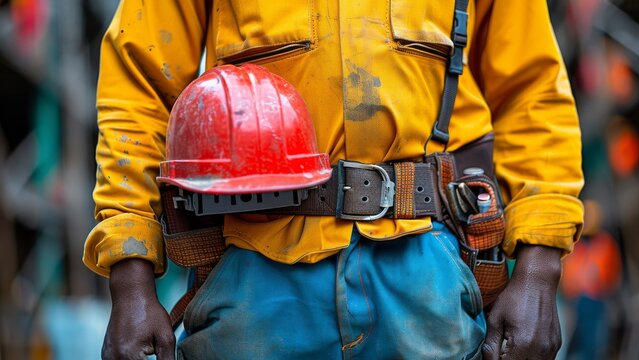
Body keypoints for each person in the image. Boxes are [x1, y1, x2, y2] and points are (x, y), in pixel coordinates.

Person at [84, 1, 584, 359]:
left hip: (429, 268)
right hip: (254, 271)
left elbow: (532, 93)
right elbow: (139, 90)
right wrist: (131, 277)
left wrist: (539, 271)